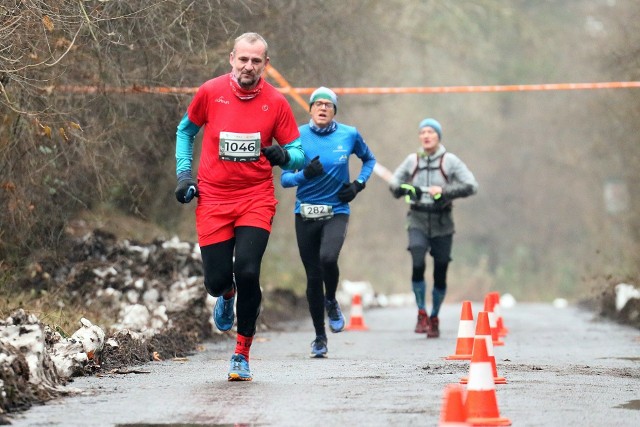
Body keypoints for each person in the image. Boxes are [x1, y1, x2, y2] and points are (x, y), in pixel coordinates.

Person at [174, 32, 306, 381]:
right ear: (232, 58)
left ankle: (241, 353)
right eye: (243, 59)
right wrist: (184, 175)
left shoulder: (276, 103)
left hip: (255, 198)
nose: (249, 66)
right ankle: (226, 294)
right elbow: (185, 131)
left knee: (248, 270)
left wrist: (285, 156)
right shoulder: (210, 92)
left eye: (256, 61)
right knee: (216, 281)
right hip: (214, 198)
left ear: (266, 64)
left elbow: (300, 155)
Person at [281, 87, 376, 358]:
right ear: (310, 109)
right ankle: (319, 337)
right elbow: (286, 179)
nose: (322, 108)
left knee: (328, 258)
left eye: (328, 104)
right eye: (317, 104)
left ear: (334, 111)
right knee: (312, 277)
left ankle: (331, 300)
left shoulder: (349, 134)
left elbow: (369, 160)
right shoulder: (296, 136)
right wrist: (304, 175)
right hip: (305, 213)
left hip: (337, 209)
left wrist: (358, 185)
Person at [389, 118, 477, 338]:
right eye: (422, 132)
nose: (426, 135)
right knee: (417, 259)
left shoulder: (450, 161)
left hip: (442, 222)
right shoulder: (412, 160)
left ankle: (434, 316)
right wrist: (410, 189)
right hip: (417, 218)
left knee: (440, 270)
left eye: (431, 132)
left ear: (438, 136)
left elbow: (471, 186)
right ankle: (421, 312)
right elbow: (394, 185)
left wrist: (445, 192)